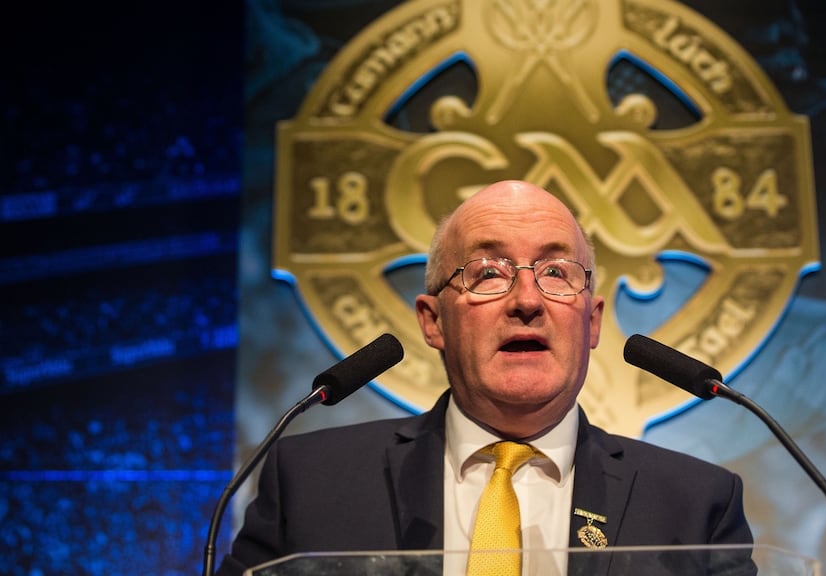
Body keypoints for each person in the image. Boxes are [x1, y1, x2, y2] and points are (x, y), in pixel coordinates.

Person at [215, 180, 754, 575]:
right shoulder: (312, 482)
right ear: (433, 321)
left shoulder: (696, 500)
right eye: (488, 274)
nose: (526, 301)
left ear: (591, 323)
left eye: (556, 273)